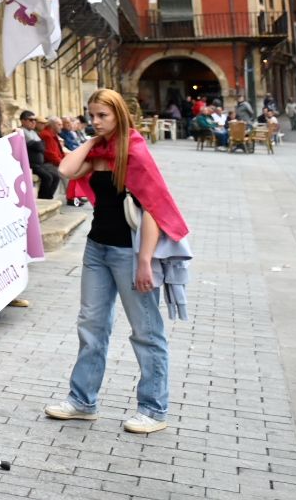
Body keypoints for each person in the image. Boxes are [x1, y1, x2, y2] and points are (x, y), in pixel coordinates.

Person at [45, 88, 189, 435]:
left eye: (102, 116)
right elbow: (65, 168)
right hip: (97, 248)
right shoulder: (102, 148)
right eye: (91, 115)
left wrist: (144, 262)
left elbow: (153, 208)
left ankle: (153, 409)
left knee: (146, 332)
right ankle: (82, 401)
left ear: (120, 115)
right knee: (91, 326)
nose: (94, 121)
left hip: (129, 252)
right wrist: (94, 142)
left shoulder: (135, 152)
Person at [18, 110, 61, 199]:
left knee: (56, 176)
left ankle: (49, 197)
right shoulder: (20, 131)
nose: (34, 122)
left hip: (39, 163)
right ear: (23, 121)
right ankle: (43, 198)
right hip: (30, 164)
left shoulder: (33, 132)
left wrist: (39, 145)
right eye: (31, 120)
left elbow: (42, 146)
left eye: (35, 120)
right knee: (47, 177)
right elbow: (39, 146)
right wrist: (39, 145)